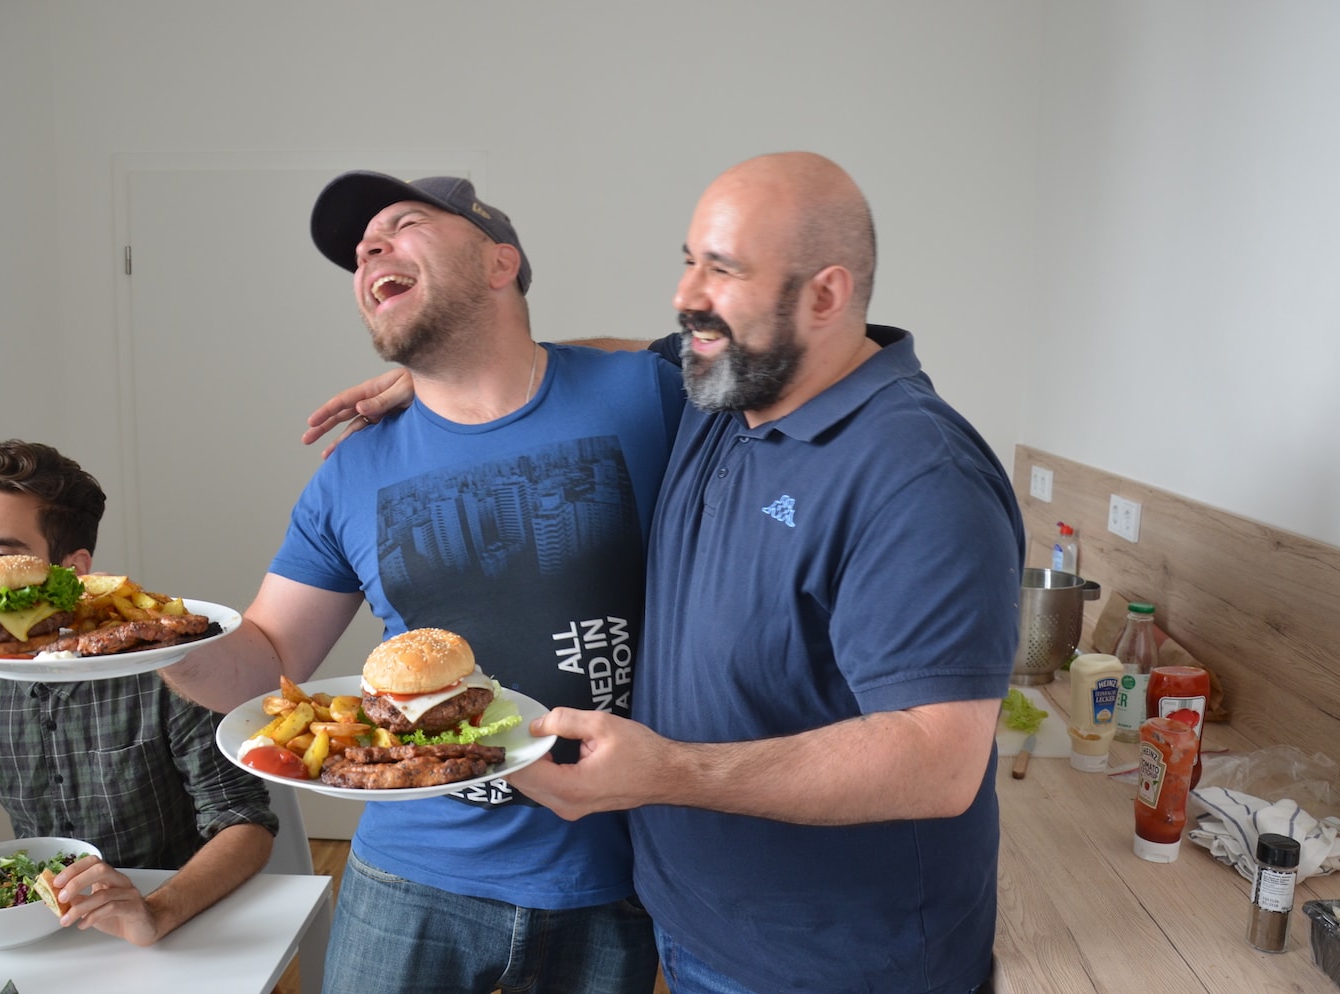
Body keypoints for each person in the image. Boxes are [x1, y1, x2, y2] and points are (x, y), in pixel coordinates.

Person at [309, 152, 1024, 994]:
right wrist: (437, 368)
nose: (688, 295)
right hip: (692, 934)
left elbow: (938, 762)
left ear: (826, 295)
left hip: (842, 963)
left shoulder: (914, 469)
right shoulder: (721, 402)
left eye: (722, 269)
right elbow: (618, 353)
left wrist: (667, 772)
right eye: (688, 261)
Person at [162, 172, 684, 994]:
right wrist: (152, 640)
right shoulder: (350, 473)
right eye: (362, 251)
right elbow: (266, 663)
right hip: (412, 878)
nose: (370, 249)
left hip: (614, 878)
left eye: (402, 226)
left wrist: (530, 357)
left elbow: (724, 351)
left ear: (499, 263)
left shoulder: (641, 397)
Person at [0, 440, 278, 947]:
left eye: (1, 553)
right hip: (40, 925)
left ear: (72, 572)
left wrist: (155, 912)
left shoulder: (168, 668)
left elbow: (244, 824)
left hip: (175, 917)